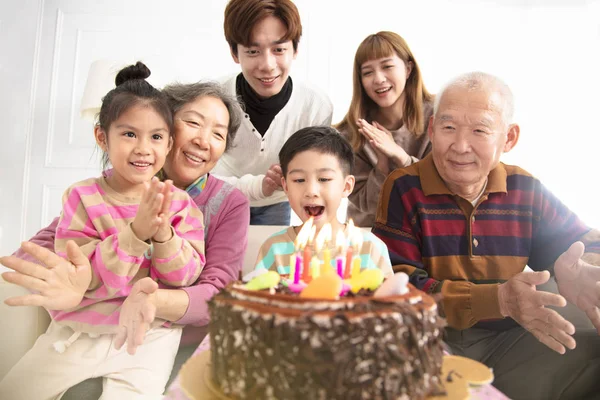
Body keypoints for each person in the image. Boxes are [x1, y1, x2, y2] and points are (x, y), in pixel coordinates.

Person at [0, 81, 249, 398]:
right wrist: (74, 282)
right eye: (194, 122)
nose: (203, 140)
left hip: (155, 337)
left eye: (218, 133)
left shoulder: (202, 206)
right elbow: (49, 250)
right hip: (81, 332)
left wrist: (160, 242)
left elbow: (211, 290)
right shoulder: (92, 194)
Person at [372, 71, 600, 399]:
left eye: (479, 130)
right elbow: (401, 286)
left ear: (508, 138)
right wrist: (498, 300)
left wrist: (576, 266)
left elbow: (583, 241)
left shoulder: (524, 188)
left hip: (511, 341)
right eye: (448, 127)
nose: (460, 146)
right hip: (436, 339)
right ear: (432, 129)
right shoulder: (405, 187)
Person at [213, 0, 333, 226]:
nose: (267, 65)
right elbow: (196, 175)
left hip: (277, 202)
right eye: (253, 51)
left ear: (295, 49)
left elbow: (316, 175)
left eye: (279, 49)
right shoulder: (213, 99)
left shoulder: (316, 105)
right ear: (234, 52)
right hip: (220, 198)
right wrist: (258, 185)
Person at [254, 126, 392, 277]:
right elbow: (257, 297)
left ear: (346, 186)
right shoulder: (274, 249)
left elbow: (389, 298)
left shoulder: (370, 247)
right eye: (299, 180)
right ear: (286, 186)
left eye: (324, 179)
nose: (311, 191)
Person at [336, 31, 433, 227]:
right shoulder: (350, 133)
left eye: (387, 66)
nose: (378, 79)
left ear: (408, 69)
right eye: (368, 72)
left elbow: (440, 187)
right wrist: (382, 162)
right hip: (369, 233)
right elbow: (367, 205)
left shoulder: (438, 115)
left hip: (422, 231)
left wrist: (400, 156)